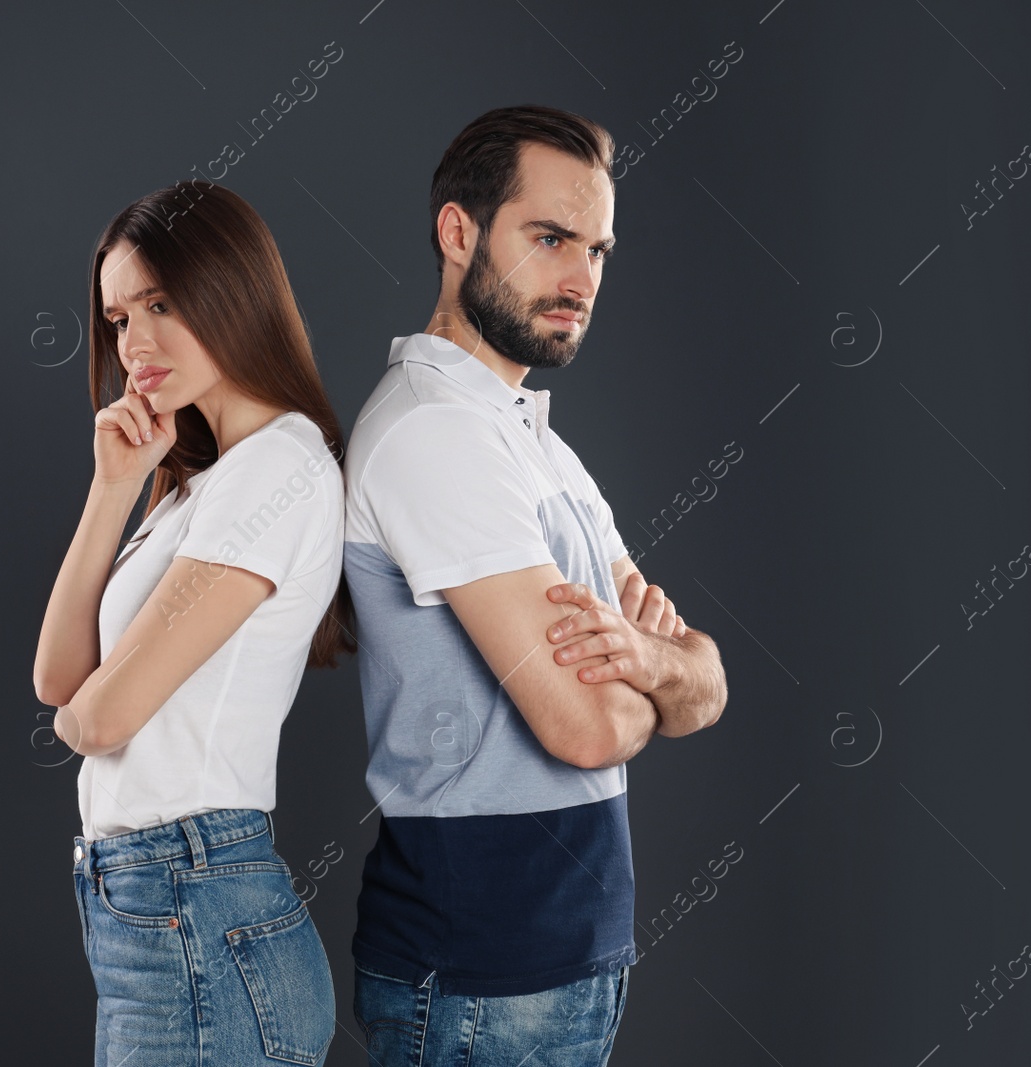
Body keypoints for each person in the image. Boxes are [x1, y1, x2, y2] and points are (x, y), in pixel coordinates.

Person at [342, 105, 730, 1065]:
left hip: (562, 957)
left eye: (597, 249)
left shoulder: (531, 440)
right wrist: (654, 675)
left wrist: (646, 663)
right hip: (480, 971)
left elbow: (708, 678)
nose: (580, 278)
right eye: (550, 238)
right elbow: (589, 727)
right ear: (458, 232)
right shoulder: (436, 432)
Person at [34, 181, 352, 1066]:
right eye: (117, 319)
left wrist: (84, 718)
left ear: (232, 288)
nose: (133, 344)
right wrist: (113, 487)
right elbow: (59, 681)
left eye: (160, 303)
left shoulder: (278, 467)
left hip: (194, 905)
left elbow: (97, 718)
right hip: (160, 914)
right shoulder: (203, 483)